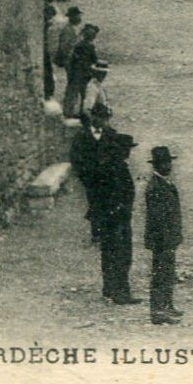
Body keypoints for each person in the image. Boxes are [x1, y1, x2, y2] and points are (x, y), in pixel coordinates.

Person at [70, 104, 139, 303]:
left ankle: (110, 289)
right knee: (120, 252)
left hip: (109, 211)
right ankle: (120, 292)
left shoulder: (113, 154)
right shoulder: (115, 168)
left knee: (110, 250)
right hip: (114, 214)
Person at [144, 145, 183, 325]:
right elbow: (159, 219)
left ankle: (167, 305)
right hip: (162, 238)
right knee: (160, 274)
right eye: (164, 163)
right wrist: (167, 238)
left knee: (168, 272)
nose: (169, 166)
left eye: (169, 162)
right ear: (156, 165)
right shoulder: (155, 187)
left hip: (168, 238)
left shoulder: (165, 183)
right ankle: (158, 311)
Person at [64, 23, 101, 118]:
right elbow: (95, 59)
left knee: (73, 92)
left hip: (76, 72)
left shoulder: (78, 45)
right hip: (86, 72)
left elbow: (73, 59)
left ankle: (68, 112)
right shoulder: (90, 46)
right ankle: (82, 113)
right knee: (84, 94)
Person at [42, 1, 59, 100]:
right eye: (49, 16)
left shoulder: (46, 25)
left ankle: (49, 92)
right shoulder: (43, 24)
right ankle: (48, 93)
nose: (50, 18)